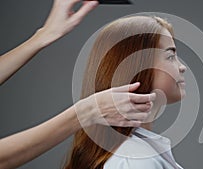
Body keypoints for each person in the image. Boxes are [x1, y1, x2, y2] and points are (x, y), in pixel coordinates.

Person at [0, 1, 156, 169]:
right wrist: (84, 112)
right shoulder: (133, 162)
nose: (182, 67)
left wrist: (44, 35)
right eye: (170, 55)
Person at [63, 15, 187, 169]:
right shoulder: (136, 161)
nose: (182, 67)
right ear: (136, 68)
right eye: (170, 56)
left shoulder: (135, 156)